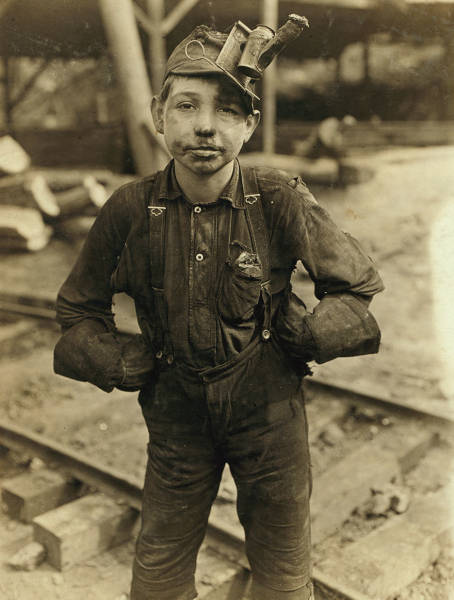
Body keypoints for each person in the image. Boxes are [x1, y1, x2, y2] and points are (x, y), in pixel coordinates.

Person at [53, 18, 384, 600]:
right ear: (159, 115)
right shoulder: (129, 210)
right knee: (158, 576)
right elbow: (77, 311)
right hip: (176, 419)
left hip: (270, 415)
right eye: (186, 105)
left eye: (228, 110)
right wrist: (116, 360)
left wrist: (312, 335)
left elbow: (357, 290)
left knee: (283, 575)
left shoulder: (279, 197)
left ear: (249, 124)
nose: (205, 126)